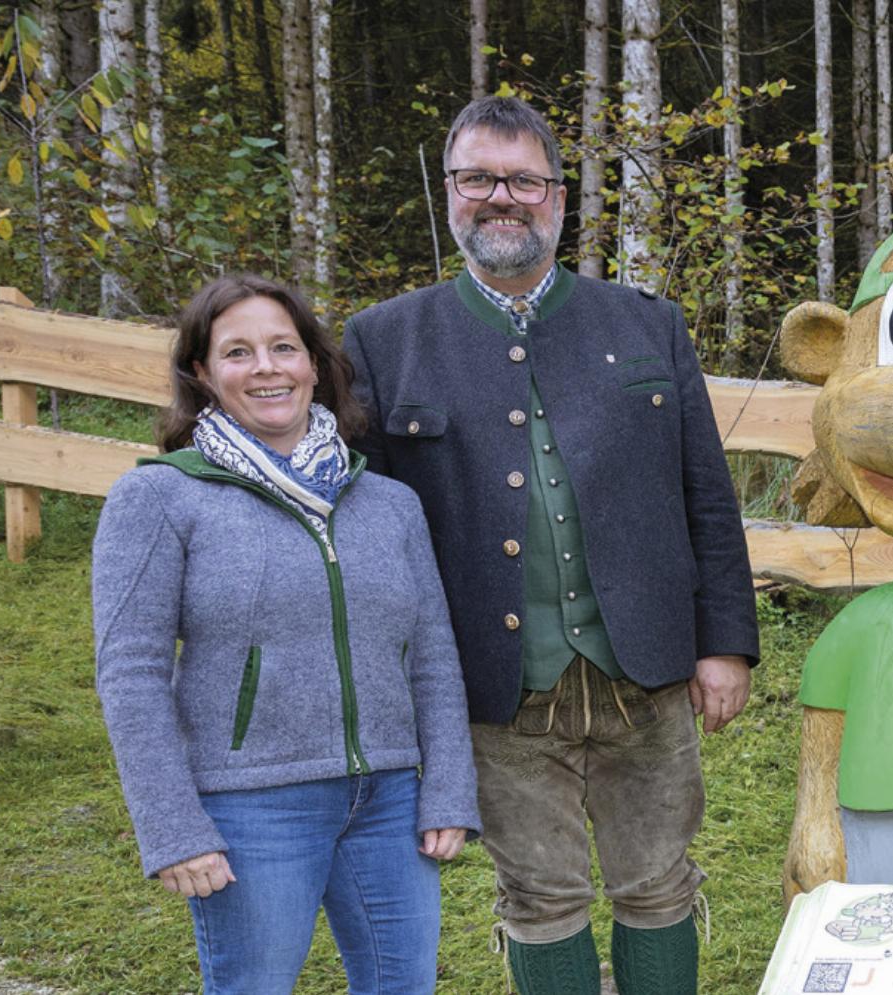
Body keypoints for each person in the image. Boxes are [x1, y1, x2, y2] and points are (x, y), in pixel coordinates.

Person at [341, 95, 760, 995]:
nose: (503, 197)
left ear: (560, 199)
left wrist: (724, 641)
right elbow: (367, 533)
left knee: (658, 882)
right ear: (450, 194)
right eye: (479, 178)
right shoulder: (382, 343)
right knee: (538, 892)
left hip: (645, 666)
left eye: (524, 179)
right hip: (493, 682)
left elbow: (707, 497)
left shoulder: (648, 323)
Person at [92, 275, 480, 995]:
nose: (266, 367)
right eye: (237, 351)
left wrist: (449, 787)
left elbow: (431, 653)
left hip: (389, 798)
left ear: (315, 364)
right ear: (202, 373)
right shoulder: (158, 498)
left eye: (284, 347)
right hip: (253, 805)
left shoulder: (388, 504)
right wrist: (174, 827)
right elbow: (131, 673)